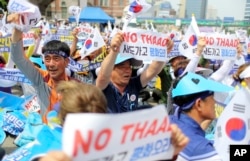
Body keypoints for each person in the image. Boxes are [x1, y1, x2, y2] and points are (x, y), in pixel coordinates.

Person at [9, 14, 76, 123]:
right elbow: (18, 58)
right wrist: (18, 28)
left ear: (66, 61)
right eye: (47, 59)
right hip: (44, 135)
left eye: (56, 58)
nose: (51, 64)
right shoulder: (41, 79)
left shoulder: (76, 86)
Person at [96, 32, 174, 113]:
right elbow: (103, 77)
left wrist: (164, 52)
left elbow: (152, 71)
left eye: (129, 66)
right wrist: (114, 51)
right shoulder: (104, 87)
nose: (128, 70)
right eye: (122, 66)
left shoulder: (133, 84)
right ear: (111, 69)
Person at [170, 72, 233, 161]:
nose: (215, 102)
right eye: (212, 98)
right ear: (199, 104)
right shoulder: (201, 148)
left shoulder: (170, 121)